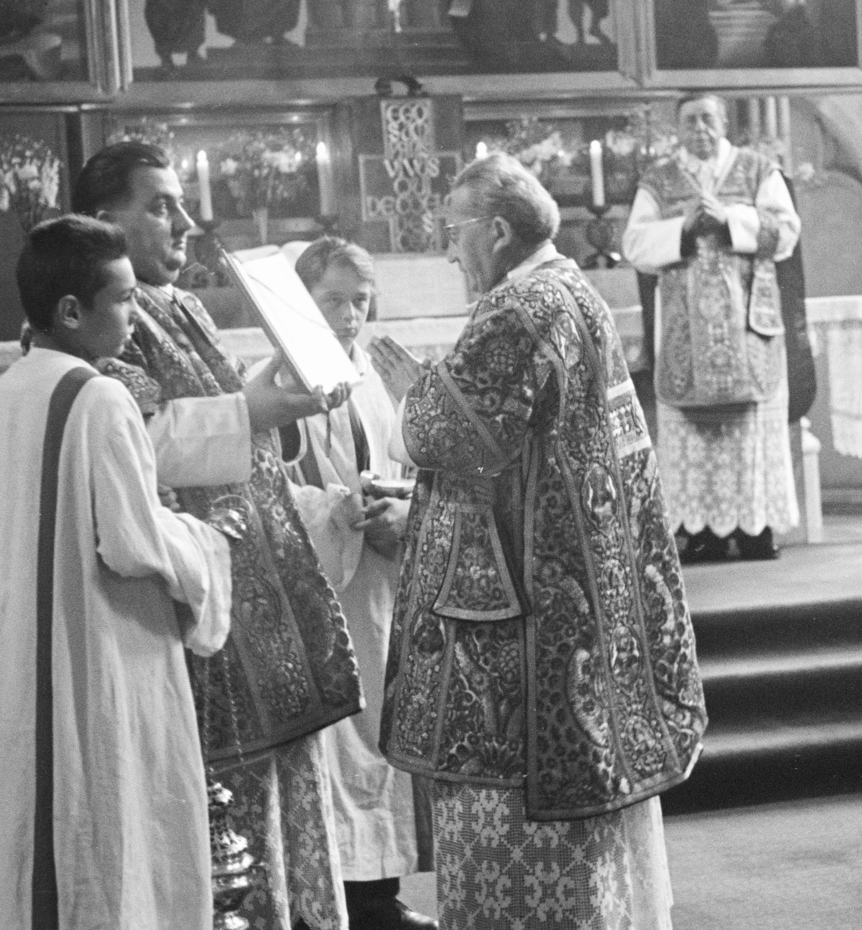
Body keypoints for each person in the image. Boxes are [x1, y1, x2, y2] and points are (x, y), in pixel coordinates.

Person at [368, 154, 707, 930]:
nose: (452, 248)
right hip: (572, 585)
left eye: (456, 230)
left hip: (522, 619)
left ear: (495, 229)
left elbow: (444, 434)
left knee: (515, 833)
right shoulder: (572, 289)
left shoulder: (518, 306)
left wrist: (407, 392)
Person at [73, 141, 362, 930]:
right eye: (161, 205)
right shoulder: (108, 319)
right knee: (231, 800)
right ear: (105, 221)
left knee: (287, 770)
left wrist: (273, 389)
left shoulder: (186, 304)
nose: (186, 222)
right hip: (202, 595)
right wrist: (251, 412)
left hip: (261, 589)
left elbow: (229, 409)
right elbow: (132, 446)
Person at [0, 215, 236, 929]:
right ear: (71, 311)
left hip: (29, 649)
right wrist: (206, 541)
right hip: (96, 651)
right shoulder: (99, 395)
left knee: (48, 837)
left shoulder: (17, 384)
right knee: (112, 832)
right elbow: (132, 542)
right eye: (121, 298)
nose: (134, 312)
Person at [289, 238, 436, 930]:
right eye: (333, 301)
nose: (351, 316)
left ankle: (382, 885)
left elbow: (415, 461)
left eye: (361, 299)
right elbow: (272, 492)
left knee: (383, 730)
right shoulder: (283, 383)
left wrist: (403, 509)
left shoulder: (376, 373)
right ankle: (344, 891)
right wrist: (341, 513)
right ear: (302, 302)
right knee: (339, 738)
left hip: (380, 581)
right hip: (327, 586)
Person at [622, 93, 801, 562]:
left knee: (750, 430)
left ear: (724, 124)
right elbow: (636, 244)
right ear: (677, 129)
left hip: (746, 328)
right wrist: (682, 227)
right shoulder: (658, 180)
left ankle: (756, 528)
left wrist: (733, 220)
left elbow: (786, 232)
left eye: (707, 118)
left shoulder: (758, 169)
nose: (699, 128)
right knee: (693, 433)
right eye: (689, 121)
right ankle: (700, 531)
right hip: (686, 330)